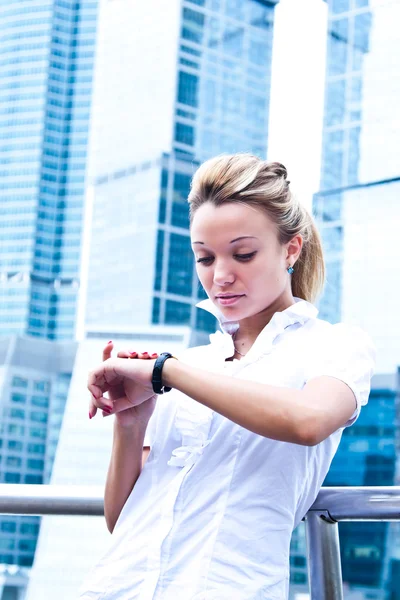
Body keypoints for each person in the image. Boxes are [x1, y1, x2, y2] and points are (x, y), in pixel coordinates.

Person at [80, 154, 375, 600]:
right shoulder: (191, 365)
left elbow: (307, 422)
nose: (220, 276)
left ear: (290, 249)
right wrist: (132, 420)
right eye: (204, 258)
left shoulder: (335, 345)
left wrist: (166, 372)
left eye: (243, 254)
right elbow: (123, 522)